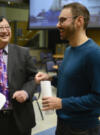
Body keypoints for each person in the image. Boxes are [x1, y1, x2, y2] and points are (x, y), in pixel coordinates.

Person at [35, 2, 100, 135]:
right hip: (63, 124)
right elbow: (67, 80)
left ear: (79, 21)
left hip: (83, 128)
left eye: (62, 20)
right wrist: (50, 78)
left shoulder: (94, 54)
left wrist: (62, 103)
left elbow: (97, 98)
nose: (58, 25)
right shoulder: (69, 50)